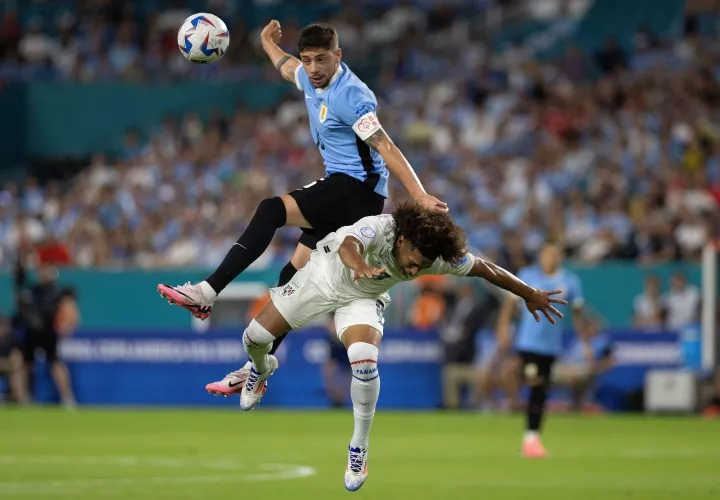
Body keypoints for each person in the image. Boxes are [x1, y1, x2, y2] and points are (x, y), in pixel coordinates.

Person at [200, 203, 567, 491]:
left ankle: (358, 448)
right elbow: (348, 245)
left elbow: (485, 268)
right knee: (254, 339)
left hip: (363, 297)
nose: (411, 273)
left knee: (363, 361)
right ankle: (261, 370)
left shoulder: (435, 255)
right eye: (411, 263)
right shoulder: (383, 226)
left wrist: (529, 293)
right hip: (322, 278)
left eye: (419, 269)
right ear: (403, 241)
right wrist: (359, 265)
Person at [159, 21, 445, 388]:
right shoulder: (309, 77)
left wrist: (418, 193)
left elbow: (386, 146)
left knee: (271, 209)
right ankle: (257, 369)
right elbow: (287, 67)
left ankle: (207, 292)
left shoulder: (352, 96)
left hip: (357, 191)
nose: (314, 68)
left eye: (322, 60)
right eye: (309, 60)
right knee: (288, 276)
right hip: (341, 189)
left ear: (338, 56)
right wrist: (265, 43)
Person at [496, 241, 587, 459]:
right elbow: (509, 305)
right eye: (548, 253)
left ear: (560, 256)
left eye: (555, 254)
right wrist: (503, 329)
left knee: (541, 391)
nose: (551, 257)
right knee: (535, 382)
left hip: (551, 346)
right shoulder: (527, 275)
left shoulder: (571, 282)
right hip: (528, 343)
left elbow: (578, 314)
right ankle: (530, 440)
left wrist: (585, 343)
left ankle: (532, 437)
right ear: (541, 255)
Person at [16, 264, 79, 407]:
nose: (42, 275)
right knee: (25, 364)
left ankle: (67, 398)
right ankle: (22, 397)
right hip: (32, 332)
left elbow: (69, 311)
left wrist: (67, 326)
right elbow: (21, 309)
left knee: (56, 363)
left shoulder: (57, 292)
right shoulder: (32, 291)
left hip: (48, 332)